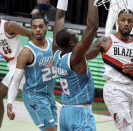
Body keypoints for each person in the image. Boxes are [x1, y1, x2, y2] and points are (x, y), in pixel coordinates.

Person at [87, 9, 133, 131]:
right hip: (114, 89)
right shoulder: (106, 41)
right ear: (117, 21)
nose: (126, 23)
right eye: (123, 20)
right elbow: (84, 57)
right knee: (126, 128)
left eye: (130, 21)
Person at [0, 1, 32, 131]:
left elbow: (31, 34)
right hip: (11, 65)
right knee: (34, 98)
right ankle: (63, 110)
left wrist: (31, 54)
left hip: (21, 63)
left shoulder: (9, 26)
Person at [6, 14, 58, 131]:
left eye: (40, 26)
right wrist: (10, 103)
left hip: (49, 95)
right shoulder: (26, 52)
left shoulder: (53, 44)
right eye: (34, 27)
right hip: (34, 97)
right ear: (31, 29)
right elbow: (16, 81)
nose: (37, 29)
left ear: (46, 28)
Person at [53, 0, 98, 130]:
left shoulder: (56, 53)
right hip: (80, 113)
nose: (79, 37)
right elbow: (93, 27)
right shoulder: (75, 58)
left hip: (65, 113)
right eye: (76, 37)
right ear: (72, 44)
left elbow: (59, 17)